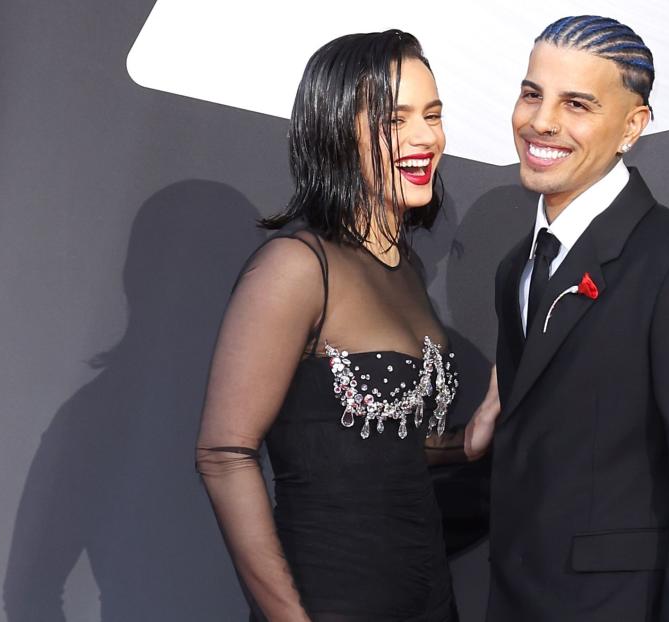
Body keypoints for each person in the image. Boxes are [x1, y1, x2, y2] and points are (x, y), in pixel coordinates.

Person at [464, 15, 669, 621]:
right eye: (531, 93)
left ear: (633, 127)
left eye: (577, 104)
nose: (541, 122)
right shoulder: (516, 267)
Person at [196, 30, 490, 622]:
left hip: (431, 600)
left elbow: (369, 444)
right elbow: (224, 454)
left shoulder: (403, 267)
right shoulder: (297, 268)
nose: (425, 137)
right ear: (334, 130)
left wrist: (467, 439)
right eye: (395, 118)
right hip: (333, 604)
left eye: (432, 115)